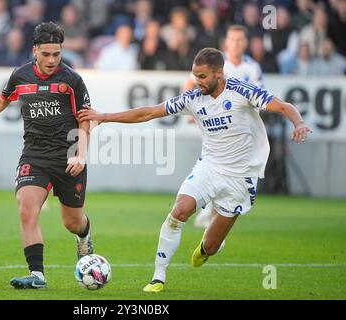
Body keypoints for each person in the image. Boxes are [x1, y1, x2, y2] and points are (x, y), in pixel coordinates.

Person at [77, 48, 312, 293]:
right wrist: (103, 117)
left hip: (241, 177)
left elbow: (284, 107)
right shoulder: (192, 98)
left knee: (210, 246)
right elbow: (148, 112)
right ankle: (158, 277)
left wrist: (299, 123)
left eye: (202, 76)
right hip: (208, 167)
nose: (197, 82)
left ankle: (207, 248)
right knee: (179, 210)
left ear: (219, 74)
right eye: (194, 75)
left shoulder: (242, 91)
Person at [0, 22, 94, 289]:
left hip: (68, 158)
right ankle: (37, 275)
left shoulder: (72, 80)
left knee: (72, 222)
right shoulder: (20, 76)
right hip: (34, 156)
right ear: (35, 50)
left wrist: (80, 154)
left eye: (56, 54)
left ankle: (84, 236)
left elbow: (85, 119)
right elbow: (1, 100)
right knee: (26, 210)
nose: (52, 60)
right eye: (46, 54)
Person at [185, 25, 264, 228]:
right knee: (212, 162)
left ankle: (215, 210)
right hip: (214, 121)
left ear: (245, 43)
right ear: (226, 42)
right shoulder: (216, 64)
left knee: (227, 167)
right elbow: (189, 84)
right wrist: (192, 109)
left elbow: (258, 97)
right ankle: (209, 207)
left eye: (239, 40)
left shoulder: (252, 67)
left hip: (239, 128)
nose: (236, 44)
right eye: (232, 39)